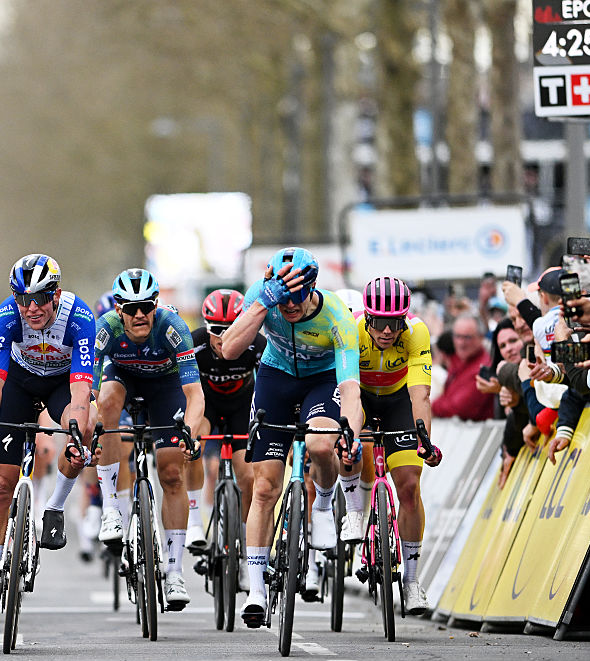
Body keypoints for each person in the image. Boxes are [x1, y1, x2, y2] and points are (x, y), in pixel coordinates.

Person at [219, 247, 363, 628]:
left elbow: (350, 388)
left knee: (320, 444)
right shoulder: (263, 297)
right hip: (276, 378)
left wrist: (349, 429)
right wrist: (263, 304)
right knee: (265, 487)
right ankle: (256, 590)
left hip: (322, 381)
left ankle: (324, 503)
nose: (289, 308)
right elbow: (230, 349)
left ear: (312, 288)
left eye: (296, 298)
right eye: (284, 298)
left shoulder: (336, 315)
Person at [0, 254, 95, 627]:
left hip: (62, 383)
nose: (32, 307)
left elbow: (80, 392)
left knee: (84, 429)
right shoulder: (7, 317)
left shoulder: (79, 317)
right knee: (1, 485)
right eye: (23, 299)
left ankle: (54, 505)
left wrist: (74, 432)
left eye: (40, 298)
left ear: (55, 294)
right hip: (20, 384)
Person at [91, 268, 203, 610]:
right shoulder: (106, 328)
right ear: (119, 308)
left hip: (165, 386)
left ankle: (173, 571)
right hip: (122, 378)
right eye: (131, 307)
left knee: (171, 473)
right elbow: (90, 387)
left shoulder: (172, 327)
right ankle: (112, 508)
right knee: (107, 403)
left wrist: (191, 434)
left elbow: (194, 394)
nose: (139, 314)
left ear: (155, 305)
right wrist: (91, 425)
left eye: (146, 306)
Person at [356, 276, 441, 614]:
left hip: (397, 404)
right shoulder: (351, 330)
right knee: (348, 450)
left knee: (408, 487)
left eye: (395, 322)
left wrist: (426, 442)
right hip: (359, 397)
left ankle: (412, 581)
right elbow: (344, 389)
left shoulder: (417, 332)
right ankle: (352, 512)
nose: (388, 331)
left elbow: (419, 393)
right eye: (379, 322)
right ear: (367, 318)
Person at [188, 289, 264, 565]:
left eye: (232, 328)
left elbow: (269, 386)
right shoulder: (194, 344)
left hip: (242, 407)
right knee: (192, 444)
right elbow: (182, 389)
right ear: (206, 327)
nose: (224, 337)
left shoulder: (256, 343)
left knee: (247, 476)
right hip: (206, 405)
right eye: (217, 330)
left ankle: (244, 543)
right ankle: (195, 520)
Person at [431, 315, 493, 421]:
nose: (461, 343)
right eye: (457, 336)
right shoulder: (459, 362)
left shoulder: (483, 368)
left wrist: (432, 406)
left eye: (467, 337)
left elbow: (459, 408)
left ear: (481, 337)